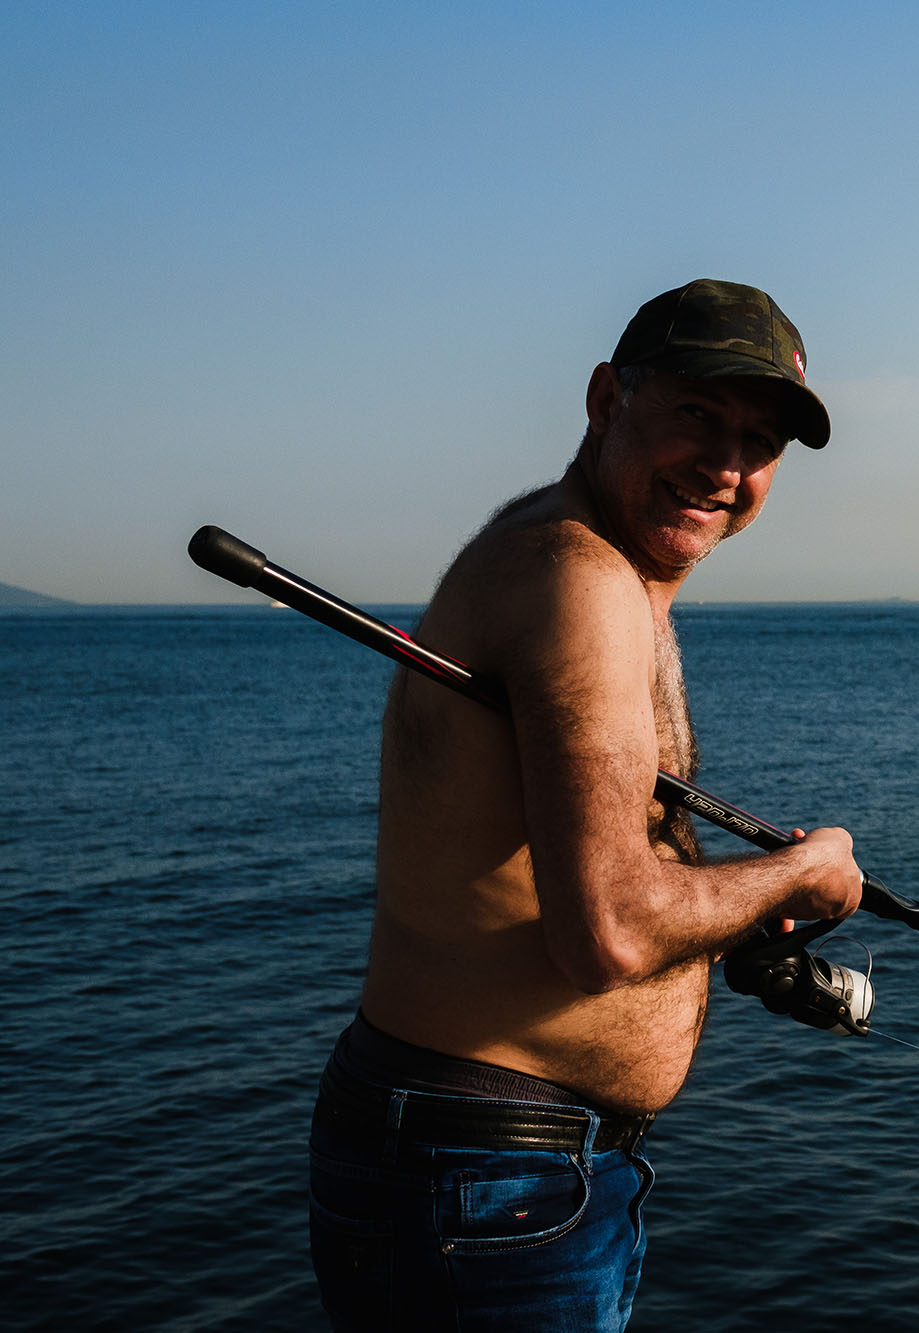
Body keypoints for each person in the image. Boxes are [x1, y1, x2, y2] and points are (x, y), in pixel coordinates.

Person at [307, 279, 865, 1330]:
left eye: (758, 441)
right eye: (696, 415)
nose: (726, 466)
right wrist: (803, 868)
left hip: (501, 1174)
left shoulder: (596, 569)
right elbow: (605, 929)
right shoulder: (578, 583)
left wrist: (735, 912)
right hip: (485, 1183)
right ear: (607, 398)